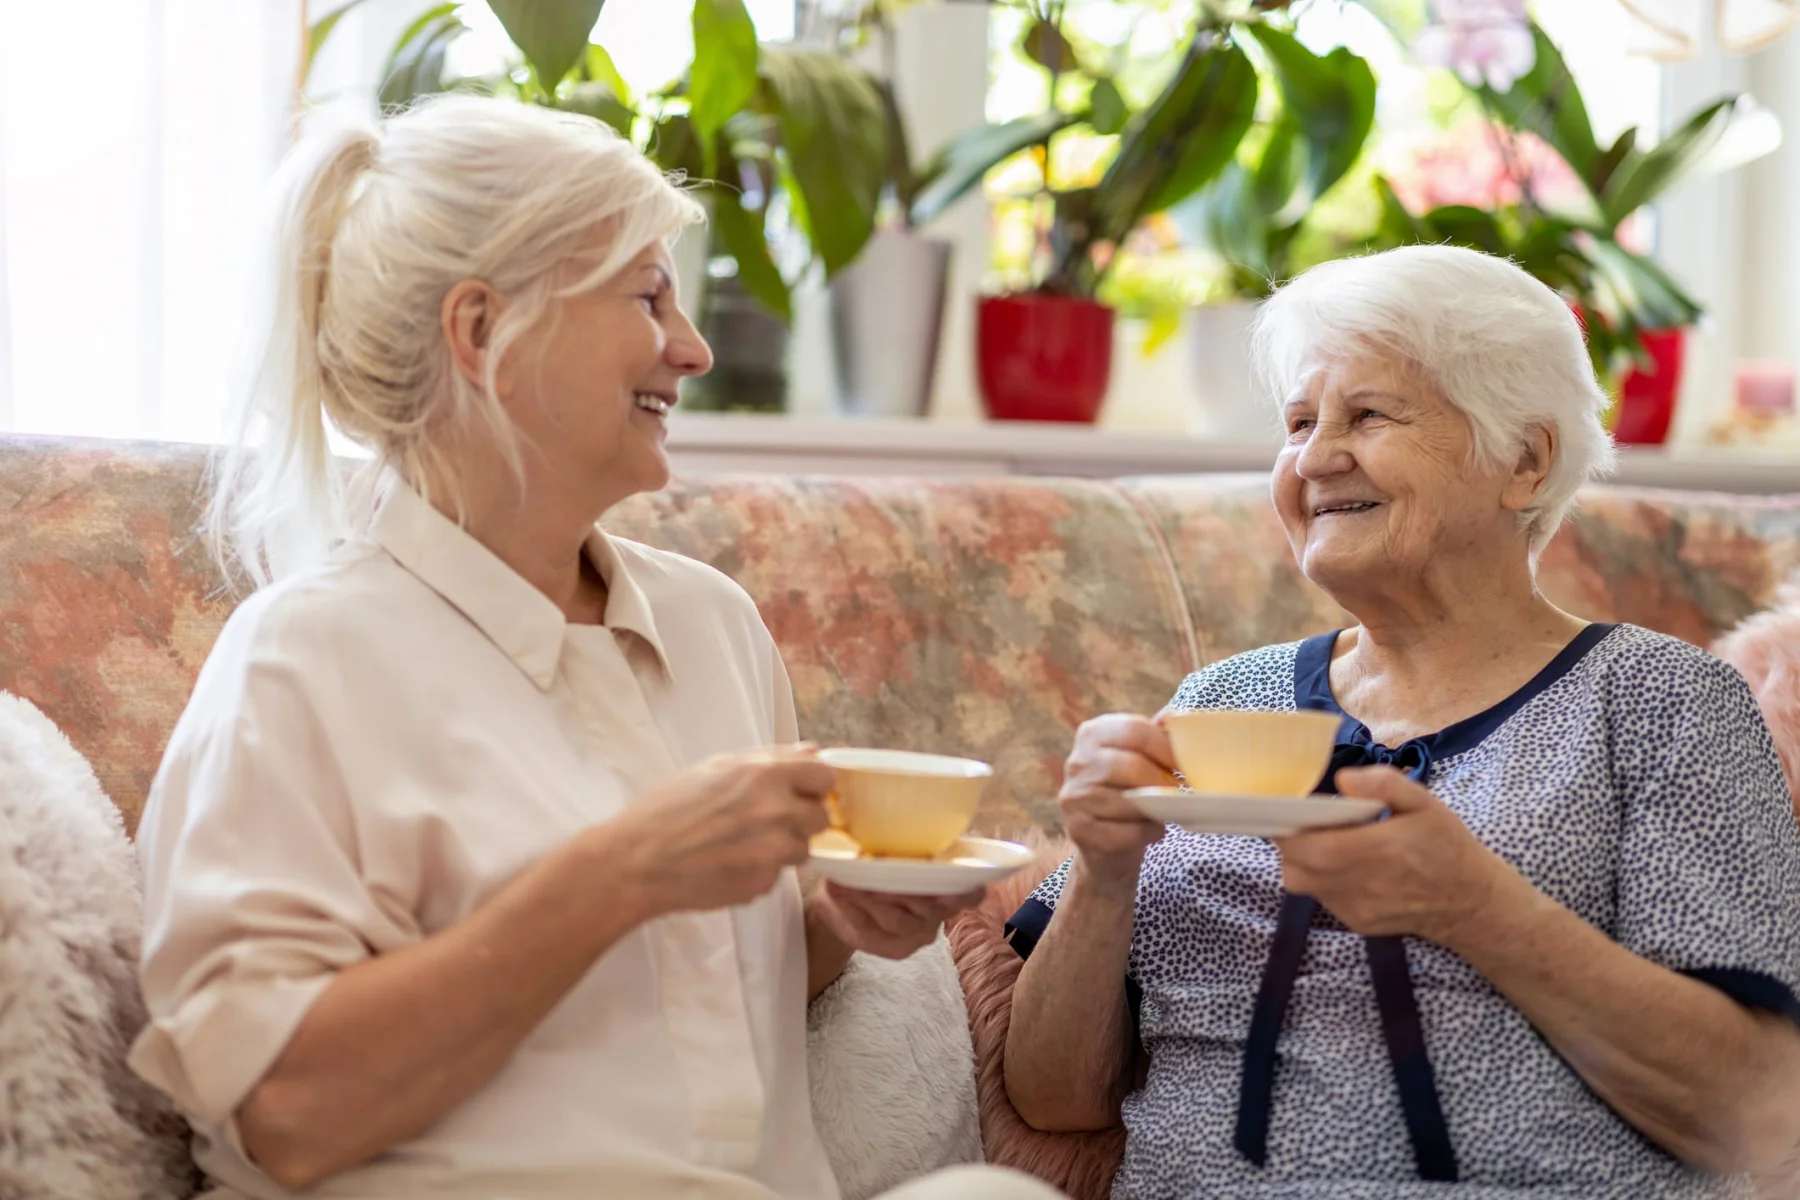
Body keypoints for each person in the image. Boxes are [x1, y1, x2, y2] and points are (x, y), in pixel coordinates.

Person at [129, 96, 1057, 1200]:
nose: (696, 347)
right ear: (481, 334)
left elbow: (709, 1008)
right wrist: (623, 871)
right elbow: (284, 1115)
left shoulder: (712, 626)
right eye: (648, 295)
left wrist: (837, 924)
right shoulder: (299, 663)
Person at [1002, 245, 1800, 1199]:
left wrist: (1479, 911)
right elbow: (1054, 1103)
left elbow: (1760, 1111)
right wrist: (1101, 871)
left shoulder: (1662, 703)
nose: (1314, 457)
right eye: (1298, 422)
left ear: (1524, 461)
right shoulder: (1223, 705)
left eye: (1368, 415)